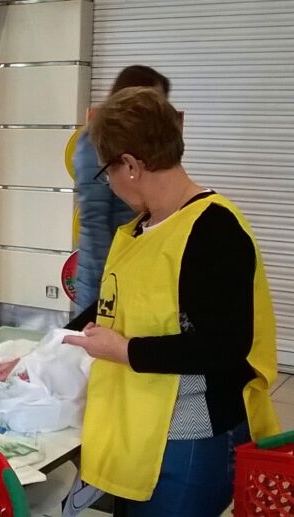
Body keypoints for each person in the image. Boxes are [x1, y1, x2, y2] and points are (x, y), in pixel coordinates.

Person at [63, 87, 279, 516]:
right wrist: (49, 346)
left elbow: (224, 345)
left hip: (191, 439)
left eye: (106, 170)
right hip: (138, 429)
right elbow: (113, 304)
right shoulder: (145, 227)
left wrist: (124, 350)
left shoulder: (214, 230)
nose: (107, 182)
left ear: (130, 165)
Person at [72, 66, 170, 314]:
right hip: (106, 275)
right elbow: (94, 221)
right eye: (151, 100)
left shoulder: (145, 148)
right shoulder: (94, 141)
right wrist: (103, 286)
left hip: (134, 268)